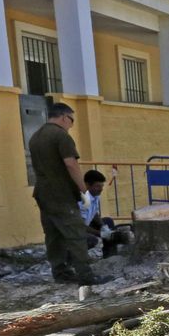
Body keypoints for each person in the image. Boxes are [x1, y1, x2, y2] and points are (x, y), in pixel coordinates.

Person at [29, 103, 109, 285]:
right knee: (76, 234)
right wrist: (84, 191)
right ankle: (86, 276)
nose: (71, 125)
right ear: (64, 117)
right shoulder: (60, 136)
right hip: (61, 194)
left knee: (53, 236)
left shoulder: (35, 137)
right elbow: (71, 164)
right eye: (71, 120)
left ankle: (60, 273)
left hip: (43, 193)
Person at [79, 170, 126, 258]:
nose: (101, 189)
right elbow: (80, 226)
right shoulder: (81, 200)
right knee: (93, 240)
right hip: (75, 230)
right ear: (87, 185)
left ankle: (110, 256)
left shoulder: (94, 196)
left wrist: (103, 226)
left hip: (85, 226)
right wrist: (100, 233)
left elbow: (94, 213)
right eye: (97, 186)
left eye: (102, 186)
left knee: (108, 221)